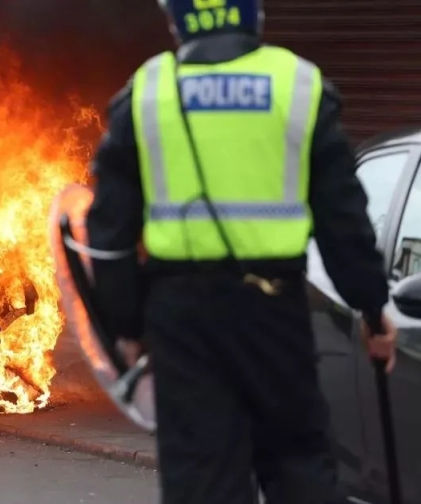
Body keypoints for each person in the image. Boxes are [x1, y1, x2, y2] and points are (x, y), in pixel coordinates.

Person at [84, 0, 398, 502]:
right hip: (274, 311)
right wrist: (371, 305)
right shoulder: (296, 85)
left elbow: (108, 232)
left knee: (202, 476)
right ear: (255, 14)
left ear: (175, 18)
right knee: (298, 462)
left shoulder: (147, 93)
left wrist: (128, 327)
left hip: (183, 319)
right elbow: (343, 215)